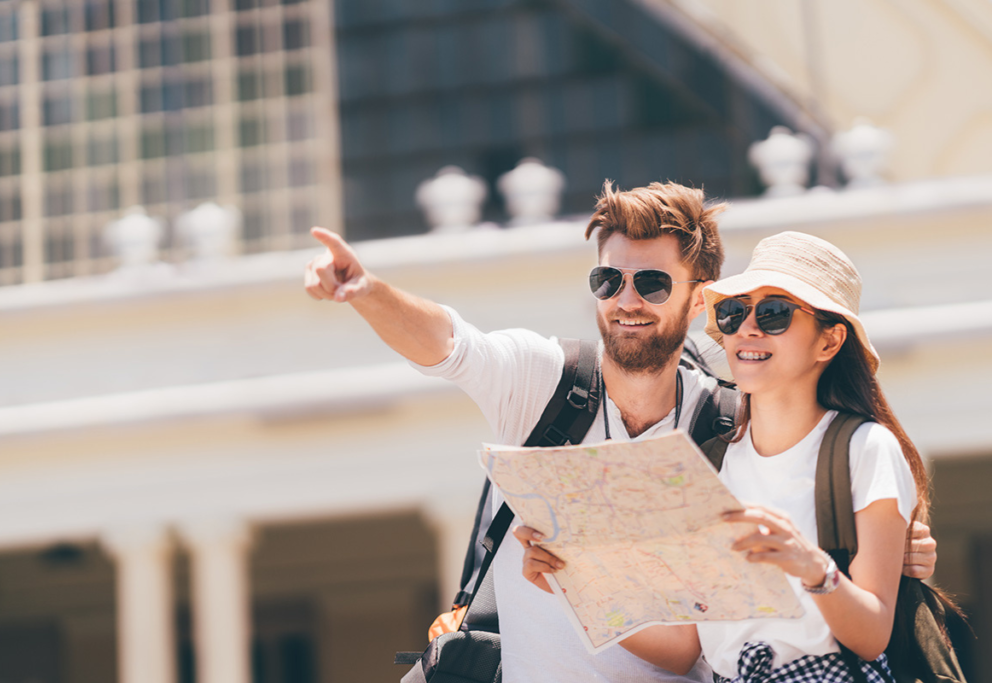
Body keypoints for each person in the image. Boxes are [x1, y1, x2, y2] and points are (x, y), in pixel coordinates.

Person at [304, 183, 937, 683]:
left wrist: (886, 549)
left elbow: (799, 526)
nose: (626, 299)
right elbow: (450, 343)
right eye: (608, 280)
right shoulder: (544, 381)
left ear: (696, 303)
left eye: (652, 282)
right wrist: (367, 292)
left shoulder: (726, 429)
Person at [543, 231, 938, 682]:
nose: (747, 329)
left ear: (829, 342)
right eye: (734, 313)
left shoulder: (866, 449)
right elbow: (684, 649)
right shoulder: (710, 461)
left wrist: (812, 568)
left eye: (773, 314)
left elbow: (871, 635)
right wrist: (570, 580)